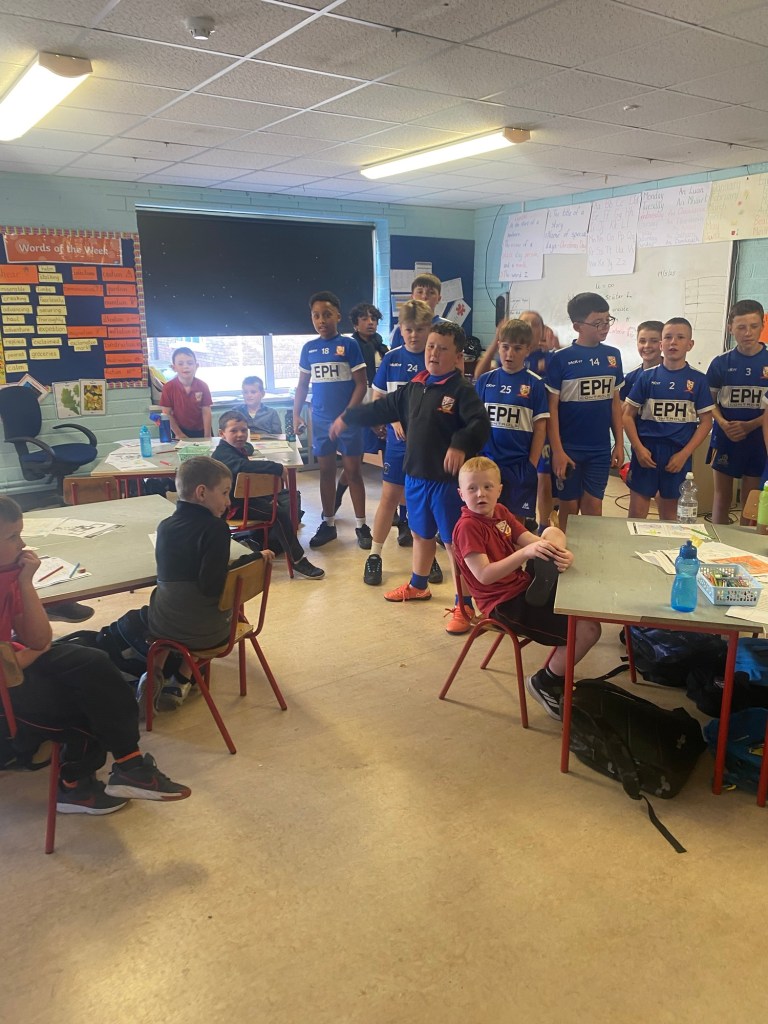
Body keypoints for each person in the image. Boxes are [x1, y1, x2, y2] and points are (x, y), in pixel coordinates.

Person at [0, 495, 191, 814]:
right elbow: (12, 664)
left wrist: (25, 583)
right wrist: (35, 651)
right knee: (90, 701)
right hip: (5, 691)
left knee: (93, 661)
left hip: (15, 667)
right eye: (12, 537)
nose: (22, 545)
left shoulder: (8, 573)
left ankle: (129, 765)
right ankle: (74, 786)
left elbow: (39, 638)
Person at [330, 321, 491, 635]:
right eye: (431, 346)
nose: (433, 353)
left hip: (447, 483)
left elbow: (480, 425)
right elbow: (381, 408)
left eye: (442, 348)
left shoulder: (462, 390)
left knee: (454, 545)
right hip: (415, 477)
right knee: (420, 535)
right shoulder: (415, 386)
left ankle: (465, 604)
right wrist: (349, 417)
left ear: (458, 356)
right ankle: (419, 585)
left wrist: (459, 443)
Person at [452, 456, 600, 719]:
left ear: (499, 490)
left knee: (553, 534)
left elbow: (530, 539)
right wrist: (525, 554)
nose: (480, 494)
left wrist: (559, 553)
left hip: (521, 584)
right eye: (472, 489)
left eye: (487, 487)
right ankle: (546, 682)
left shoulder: (500, 512)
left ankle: (549, 574)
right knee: (587, 630)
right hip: (502, 603)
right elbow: (484, 576)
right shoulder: (468, 528)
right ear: (461, 494)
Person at [148, 456, 274, 710]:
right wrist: (253, 559)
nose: (229, 502)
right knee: (205, 609)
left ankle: (153, 672)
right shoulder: (216, 528)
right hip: (208, 635)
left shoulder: (165, 526)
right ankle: (183, 677)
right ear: (202, 493)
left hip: (162, 627)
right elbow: (212, 587)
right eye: (225, 493)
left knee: (162, 599)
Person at [361, 299, 440, 586]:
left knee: (424, 501)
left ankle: (427, 558)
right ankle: (374, 555)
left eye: (420, 329)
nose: (414, 335)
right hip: (398, 444)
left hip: (428, 446)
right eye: (409, 329)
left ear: (429, 328)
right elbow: (378, 396)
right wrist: (392, 418)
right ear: (401, 329)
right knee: (389, 497)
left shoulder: (436, 360)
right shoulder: (392, 359)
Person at [293, 291, 371, 550]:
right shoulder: (309, 349)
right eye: (316, 316)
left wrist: (346, 416)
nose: (321, 320)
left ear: (338, 316)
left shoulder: (349, 345)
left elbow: (361, 385)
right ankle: (328, 524)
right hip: (321, 422)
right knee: (325, 472)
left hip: (349, 421)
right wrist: (296, 414)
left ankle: (362, 525)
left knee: (353, 472)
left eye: (327, 314)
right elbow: (302, 385)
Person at [212, 411, 323, 579]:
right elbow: (242, 466)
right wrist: (277, 467)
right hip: (232, 507)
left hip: (244, 500)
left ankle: (255, 542)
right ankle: (297, 560)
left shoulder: (233, 448)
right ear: (222, 434)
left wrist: (246, 446)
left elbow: (247, 449)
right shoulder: (223, 454)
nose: (240, 435)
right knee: (278, 514)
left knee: (280, 501)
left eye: (244, 430)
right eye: (234, 431)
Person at [546, 293, 624, 530]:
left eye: (607, 320)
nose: (604, 327)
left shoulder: (613, 356)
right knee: (569, 508)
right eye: (597, 323)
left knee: (593, 508)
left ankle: (592, 552)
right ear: (577, 326)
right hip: (569, 448)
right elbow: (552, 409)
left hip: (599, 449)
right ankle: (563, 552)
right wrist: (558, 451)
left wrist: (619, 443)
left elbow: (615, 403)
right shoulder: (561, 359)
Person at [623, 318, 714, 521]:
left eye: (680, 337)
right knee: (636, 513)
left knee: (670, 516)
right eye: (668, 337)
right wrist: (638, 448)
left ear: (690, 344)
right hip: (646, 452)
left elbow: (706, 422)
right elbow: (627, 415)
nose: (673, 342)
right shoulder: (646, 377)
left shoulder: (698, 380)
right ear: (661, 344)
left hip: (677, 454)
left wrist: (685, 454)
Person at [475, 318, 548, 524]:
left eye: (517, 348)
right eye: (505, 347)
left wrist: (532, 464)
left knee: (514, 523)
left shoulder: (535, 384)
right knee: (486, 517)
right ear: (498, 346)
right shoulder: (486, 380)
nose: (510, 354)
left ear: (528, 350)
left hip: (519, 465)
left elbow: (540, 427)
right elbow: (475, 423)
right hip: (488, 463)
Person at [707, 300, 768, 524]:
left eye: (753, 326)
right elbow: (708, 403)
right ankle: (718, 541)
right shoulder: (720, 363)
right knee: (722, 497)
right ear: (730, 328)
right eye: (741, 327)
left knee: (751, 499)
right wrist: (723, 423)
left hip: (758, 437)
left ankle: (745, 542)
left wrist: (751, 425)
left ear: (762, 326)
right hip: (726, 436)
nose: (747, 333)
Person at [334, 302, 389, 514]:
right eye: (365, 319)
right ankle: (336, 497)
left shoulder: (382, 347)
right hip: (360, 411)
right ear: (355, 324)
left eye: (373, 319)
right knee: (353, 466)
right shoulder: (349, 347)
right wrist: (369, 417)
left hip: (381, 410)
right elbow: (357, 386)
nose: (370, 323)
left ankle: (393, 511)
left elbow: (384, 384)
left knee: (390, 465)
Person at [159, 346, 213, 439]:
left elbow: (206, 411)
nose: (186, 366)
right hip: (179, 430)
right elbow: (166, 413)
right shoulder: (168, 388)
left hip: (202, 430)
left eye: (190, 363)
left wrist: (207, 435)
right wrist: (179, 434)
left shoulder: (203, 386)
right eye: (180, 364)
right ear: (174, 367)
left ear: (196, 366)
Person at [389, 274, 445, 350]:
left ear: (439, 298)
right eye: (420, 292)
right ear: (412, 297)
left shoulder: (445, 328)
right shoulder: (403, 329)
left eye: (431, 292)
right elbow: (395, 355)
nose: (424, 296)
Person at [619, 321, 663, 402]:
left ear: (663, 344)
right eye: (642, 341)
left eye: (654, 341)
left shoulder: (674, 374)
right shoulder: (630, 378)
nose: (647, 345)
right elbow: (622, 406)